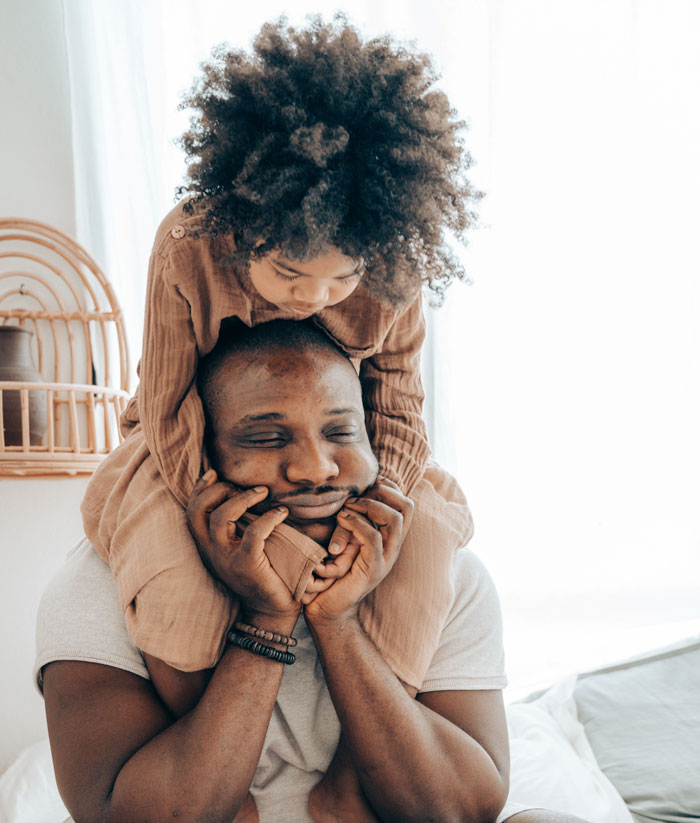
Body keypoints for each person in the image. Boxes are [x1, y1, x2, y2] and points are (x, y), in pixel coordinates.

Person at [79, 15, 477, 812]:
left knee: (425, 548)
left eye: (341, 279)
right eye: (292, 274)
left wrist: (373, 509)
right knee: (173, 570)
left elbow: (398, 410)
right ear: (247, 227)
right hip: (191, 445)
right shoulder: (190, 244)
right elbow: (167, 404)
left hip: (350, 448)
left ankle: (354, 782)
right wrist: (236, 516)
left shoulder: (394, 265)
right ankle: (218, 773)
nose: (316, 297)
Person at [37, 320, 590, 823]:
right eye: (267, 438)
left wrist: (336, 622)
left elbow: (459, 813)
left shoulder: (448, 574)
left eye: (341, 433)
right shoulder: (102, 585)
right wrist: (267, 618)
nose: (315, 470)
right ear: (201, 455)